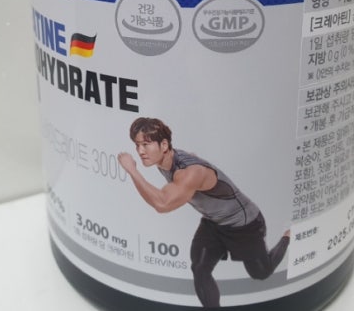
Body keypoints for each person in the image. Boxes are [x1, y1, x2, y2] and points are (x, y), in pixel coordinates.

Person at [117, 117, 291, 308]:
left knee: (261, 273)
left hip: (244, 224)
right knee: (200, 268)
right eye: (137, 145)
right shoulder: (167, 160)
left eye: (146, 144)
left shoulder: (189, 172)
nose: (140, 151)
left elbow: (163, 204)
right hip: (213, 222)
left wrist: (132, 170)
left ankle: (287, 237)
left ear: (164, 145)